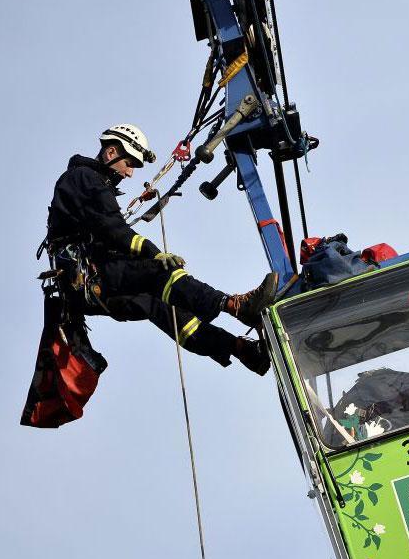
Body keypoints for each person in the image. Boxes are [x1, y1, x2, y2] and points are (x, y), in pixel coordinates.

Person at [42, 124, 278, 375]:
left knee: (163, 308)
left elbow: (109, 234)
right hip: (93, 278)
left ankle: (238, 348)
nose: (130, 173)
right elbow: (116, 231)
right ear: (111, 153)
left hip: (89, 290)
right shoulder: (85, 178)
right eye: (129, 163)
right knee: (162, 271)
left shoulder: (87, 183)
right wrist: (155, 254)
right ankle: (235, 305)